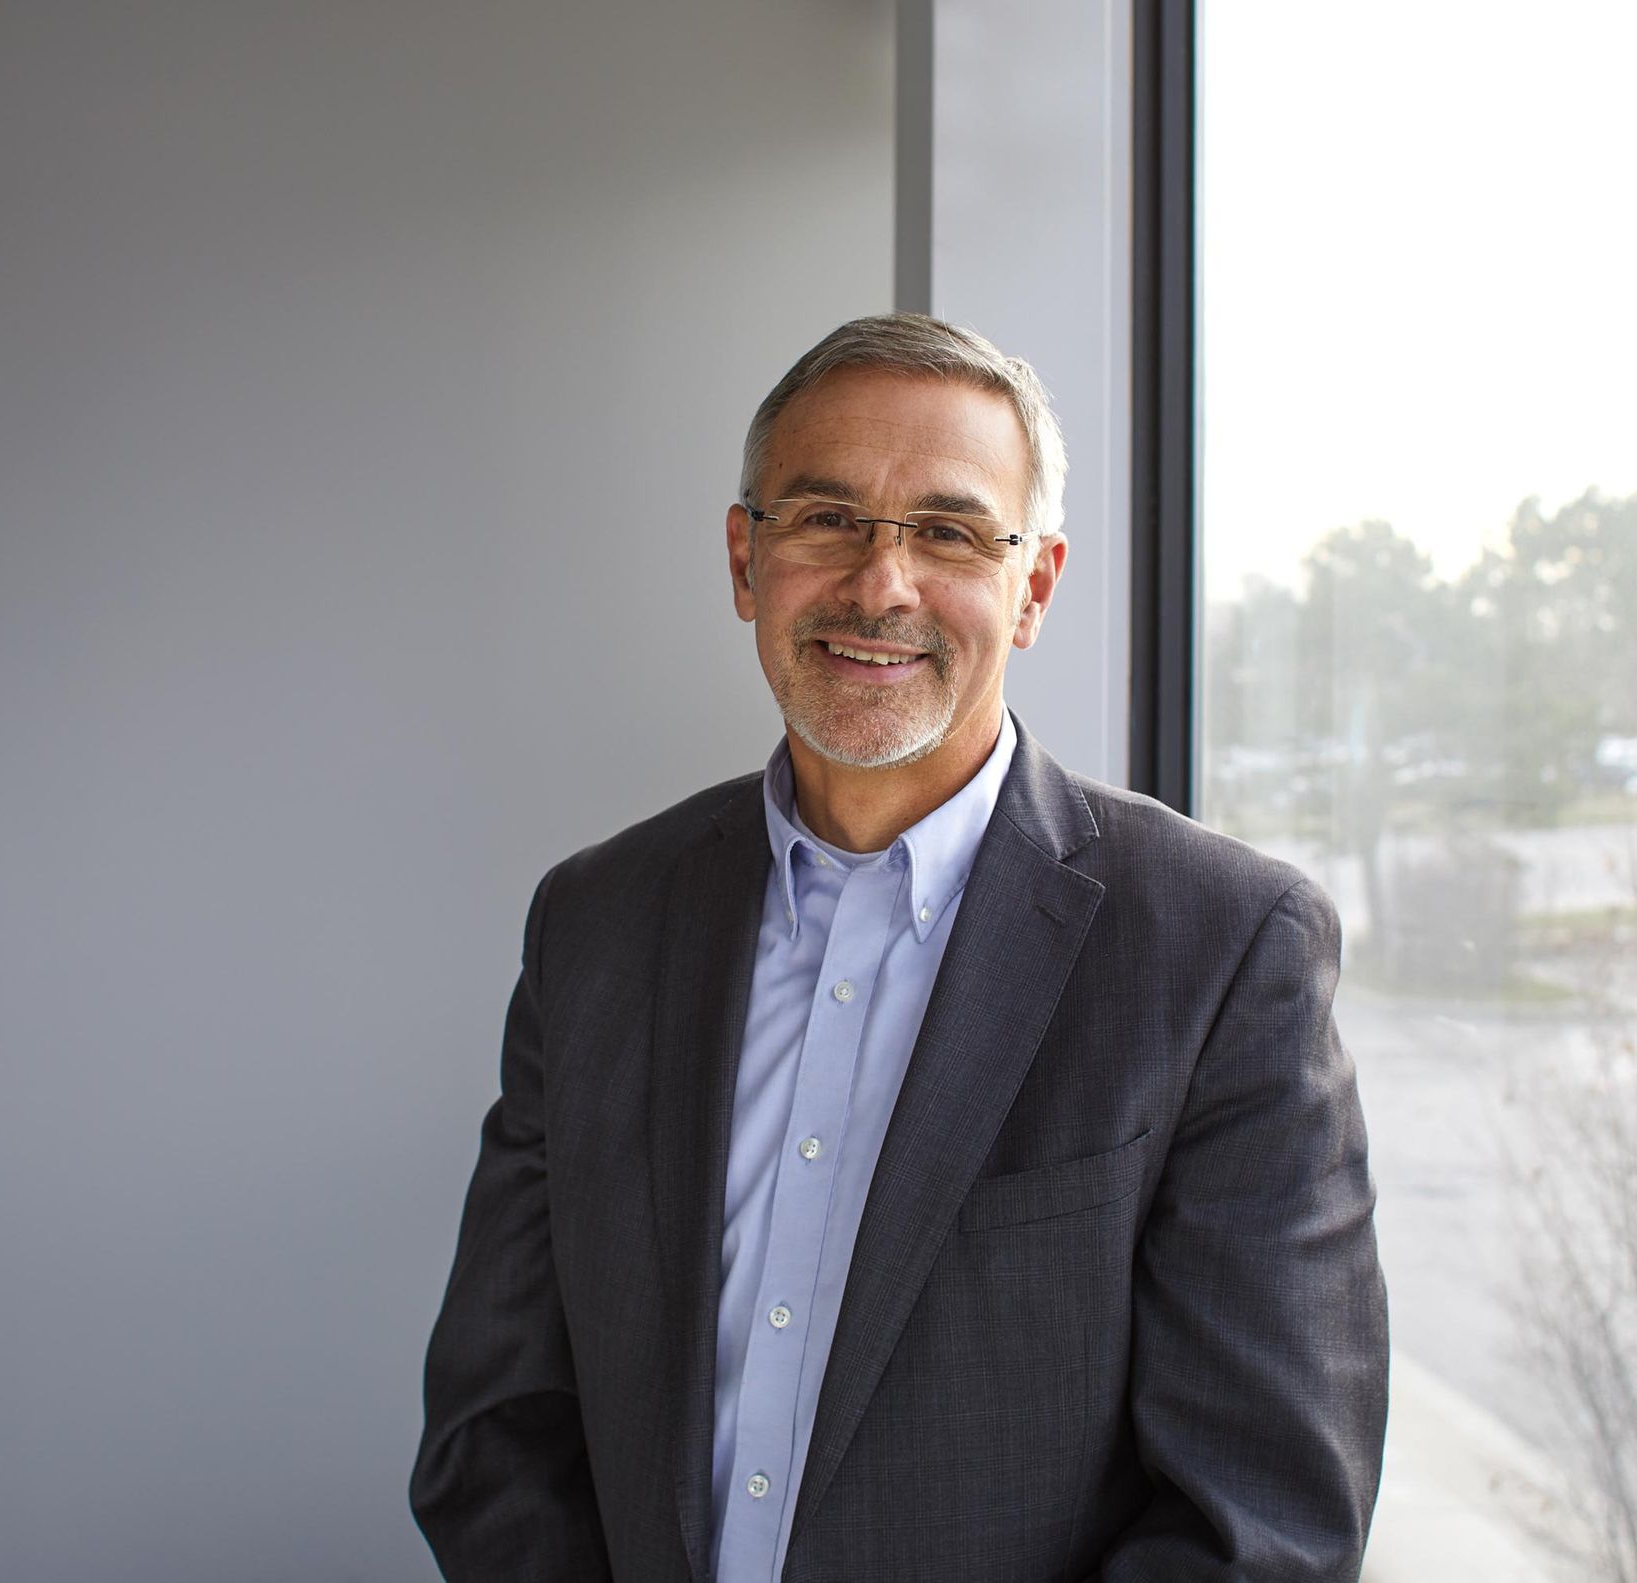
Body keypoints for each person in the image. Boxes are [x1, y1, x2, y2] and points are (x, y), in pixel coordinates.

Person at [410, 314, 1388, 1582]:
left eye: (951, 530)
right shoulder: (595, 923)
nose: (882, 584)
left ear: (1032, 585)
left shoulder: (1217, 949)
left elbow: (1261, 1526)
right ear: (743, 559)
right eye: (825, 518)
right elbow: (496, 1436)